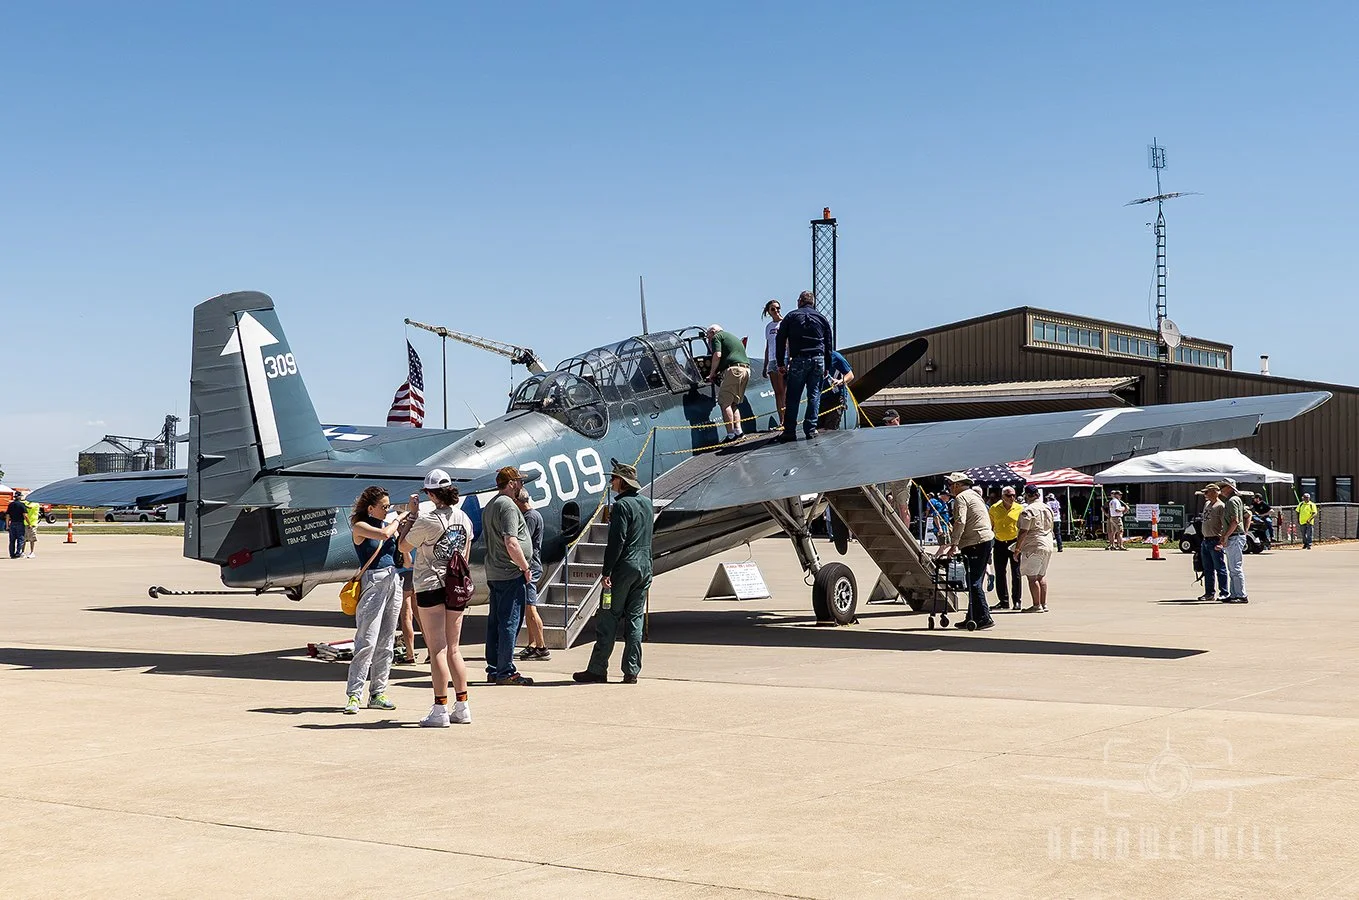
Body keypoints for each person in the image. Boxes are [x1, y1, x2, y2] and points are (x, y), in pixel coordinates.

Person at [400, 470, 475, 727]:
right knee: (454, 648)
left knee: (437, 649)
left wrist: (411, 514)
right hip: (456, 585)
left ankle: (440, 708)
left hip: (431, 585)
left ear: (430, 494)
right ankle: (462, 706)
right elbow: (466, 551)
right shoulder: (464, 518)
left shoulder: (427, 520)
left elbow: (403, 546)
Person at [574, 460, 654, 683]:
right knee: (635, 619)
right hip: (645, 567)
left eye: (614, 478)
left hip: (623, 568)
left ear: (622, 482)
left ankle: (598, 669)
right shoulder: (647, 503)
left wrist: (606, 571)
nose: (611, 482)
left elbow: (616, 541)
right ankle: (631, 671)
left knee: (608, 617)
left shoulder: (621, 506)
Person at [343, 486, 408, 715]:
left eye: (388, 506)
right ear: (370, 508)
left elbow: (401, 549)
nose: (387, 510)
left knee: (387, 641)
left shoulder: (387, 525)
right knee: (367, 640)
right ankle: (354, 695)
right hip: (373, 582)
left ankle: (378, 691)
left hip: (393, 580)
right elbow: (383, 536)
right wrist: (398, 518)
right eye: (383, 507)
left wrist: (406, 522)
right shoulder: (360, 527)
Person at [483, 466, 535, 685]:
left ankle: (495, 667)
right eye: (520, 482)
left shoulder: (491, 505)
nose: (521, 485)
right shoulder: (508, 506)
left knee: (495, 621)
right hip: (509, 572)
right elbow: (511, 541)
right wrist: (524, 567)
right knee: (510, 622)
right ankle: (506, 671)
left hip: (494, 571)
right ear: (512, 483)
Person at [935, 472, 995, 631]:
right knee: (974, 579)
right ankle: (972, 617)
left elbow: (960, 521)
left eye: (950, 485)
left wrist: (954, 543)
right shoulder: (975, 495)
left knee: (973, 581)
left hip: (975, 541)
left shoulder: (961, 498)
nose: (949, 489)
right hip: (984, 539)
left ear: (956, 485)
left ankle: (984, 617)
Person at [773, 291, 833, 443]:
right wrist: (828, 365)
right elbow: (828, 345)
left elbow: (780, 340)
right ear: (813, 302)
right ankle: (811, 429)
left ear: (799, 301)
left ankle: (790, 431)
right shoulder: (822, 318)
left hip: (799, 359)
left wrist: (780, 363)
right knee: (814, 395)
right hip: (818, 360)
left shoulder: (791, 316)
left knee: (793, 396)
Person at [515, 486, 550, 661]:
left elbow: (524, 542)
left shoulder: (529, 518)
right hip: (532, 565)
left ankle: (542, 647)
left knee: (531, 608)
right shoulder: (535, 515)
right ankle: (531, 645)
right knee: (528, 609)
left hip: (531, 566)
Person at [706, 324, 751, 443]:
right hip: (745, 370)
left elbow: (717, 355)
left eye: (708, 336)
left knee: (724, 403)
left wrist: (712, 373)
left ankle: (731, 436)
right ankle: (739, 432)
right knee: (733, 404)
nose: (708, 339)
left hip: (734, 370)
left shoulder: (717, 337)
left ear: (713, 332)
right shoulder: (731, 336)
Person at [1015, 485, 1055, 612]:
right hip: (1047, 543)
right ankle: (1044, 604)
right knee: (1041, 576)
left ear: (1027, 495)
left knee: (1032, 577)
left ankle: (1036, 605)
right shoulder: (1047, 508)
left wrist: (1017, 549)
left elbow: (1023, 531)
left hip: (1034, 544)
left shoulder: (1028, 510)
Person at [988, 486, 1023, 611]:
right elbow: (990, 526)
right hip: (999, 542)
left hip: (1014, 543)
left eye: (1013, 495)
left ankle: (1017, 601)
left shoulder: (1019, 508)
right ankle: (1003, 601)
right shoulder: (994, 508)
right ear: (1002, 496)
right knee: (1000, 573)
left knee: (1016, 573)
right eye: (1008, 495)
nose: (1012, 498)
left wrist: (1020, 545)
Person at [1218, 478, 1249, 603]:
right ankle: (1234, 594)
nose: (1221, 490)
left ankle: (1241, 595)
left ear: (1230, 488)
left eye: (1223, 487)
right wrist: (1245, 532)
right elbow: (1247, 515)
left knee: (1235, 568)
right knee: (1232, 568)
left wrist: (1226, 535)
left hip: (1234, 536)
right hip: (1236, 535)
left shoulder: (1232, 501)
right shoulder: (1234, 501)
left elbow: (1235, 521)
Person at [1198, 484, 1228, 601]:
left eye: (1208, 492)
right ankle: (1209, 593)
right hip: (1206, 540)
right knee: (1207, 569)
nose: (1205, 495)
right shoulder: (1207, 504)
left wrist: (1222, 541)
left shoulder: (1220, 506)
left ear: (1215, 492)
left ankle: (1224, 592)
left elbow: (1224, 524)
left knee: (1220, 568)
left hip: (1215, 540)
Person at [761, 299, 786, 426]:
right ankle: (781, 420)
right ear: (768, 312)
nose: (776, 311)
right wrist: (765, 365)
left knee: (783, 390)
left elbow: (789, 342)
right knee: (777, 392)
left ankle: (787, 419)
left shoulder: (784, 323)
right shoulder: (769, 327)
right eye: (773, 309)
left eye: (778, 308)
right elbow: (768, 345)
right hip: (771, 359)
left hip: (782, 358)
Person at [818, 350, 855, 430]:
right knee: (818, 427)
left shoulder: (836, 357)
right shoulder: (814, 356)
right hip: (821, 397)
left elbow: (850, 375)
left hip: (836, 397)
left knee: (831, 427)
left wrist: (840, 381)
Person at [7, 491, 27, 559]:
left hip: (12, 523)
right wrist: (29, 523)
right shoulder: (22, 505)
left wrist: (7, 525)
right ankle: (18, 553)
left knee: (12, 540)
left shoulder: (10, 505)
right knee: (20, 539)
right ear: (19, 497)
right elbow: (25, 515)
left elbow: (7, 515)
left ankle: (12, 554)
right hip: (20, 523)